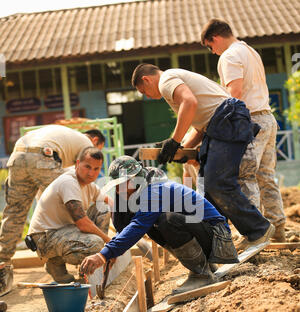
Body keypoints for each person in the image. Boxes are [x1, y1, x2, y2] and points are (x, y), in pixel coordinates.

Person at [131, 63, 275, 252]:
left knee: (218, 183)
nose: (147, 96)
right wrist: (181, 150)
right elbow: (199, 124)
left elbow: (190, 103)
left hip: (227, 120)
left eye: (144, 91)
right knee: (207, 189)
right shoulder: (174, 82)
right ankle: (220, 243)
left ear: (146, 79)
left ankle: (258, 229)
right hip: (217, 125)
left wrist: (174, 141)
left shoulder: (166, 80)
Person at [80, 155, 239, 295]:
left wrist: (103, 254)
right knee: (154, 227)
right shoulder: (137, 192)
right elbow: (125, 227)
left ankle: (201, 275)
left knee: (166, 221)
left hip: (218, 239)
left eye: (124, 183)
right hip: (207, 234)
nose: (119, 188)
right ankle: (206, 267)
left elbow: (137, 226)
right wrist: (114, 250)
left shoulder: (154, 190)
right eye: (117, 184)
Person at [200, 18, 286, 242]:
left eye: (211, 47)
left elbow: (234, 94)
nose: (214, 52)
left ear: (215, 38)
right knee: (266, 176)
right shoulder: (249, 50)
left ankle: (255, 233)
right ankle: (277, 227)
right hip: (267, 118)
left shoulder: (229, 55)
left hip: (249, 123)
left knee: (245, 176)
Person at [0, 125, 105, 296]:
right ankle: (57, 262)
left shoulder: (64, 138)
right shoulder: (87, 145)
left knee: (15, 212)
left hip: (18, 155)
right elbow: (72, 191)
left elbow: (44, 198)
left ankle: (2, 262)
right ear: (95, 141)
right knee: (67, 206)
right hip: (44, 156)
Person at [26, 146, 111, 284]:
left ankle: (87, 267)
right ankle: (55, 262)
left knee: (104, 208)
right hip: (44, 237)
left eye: (96, 169)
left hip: (63, 232)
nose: (91, 173)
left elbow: (109, 202)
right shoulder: (69, 182)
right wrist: (110, 244)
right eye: (87, 167)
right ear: (77, 164)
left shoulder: (89, 185)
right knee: (96, 245)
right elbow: (83, 223)